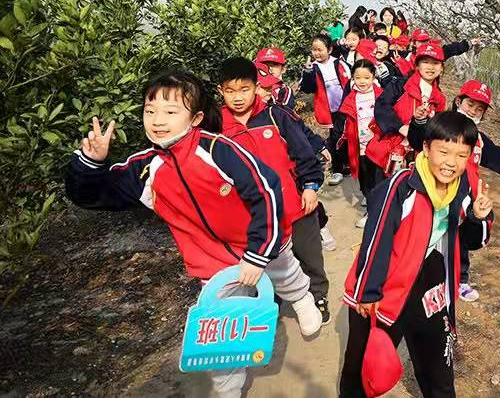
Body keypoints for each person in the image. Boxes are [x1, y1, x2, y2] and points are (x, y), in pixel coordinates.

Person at [65, 71, 322, 398]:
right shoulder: (146, 167)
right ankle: (229, 387)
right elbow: (92, 196)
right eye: (150, 110)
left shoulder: (217, 149)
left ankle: (302, 298)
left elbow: (266, 190)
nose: (158, 120)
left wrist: (258, 253)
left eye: (171, 112)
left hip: (261, 241)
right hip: (211, 262)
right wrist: (91, 162)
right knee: (224, 328)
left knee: (285, 275)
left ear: (196, 117)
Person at [339, 112, 494, 398]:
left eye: (461, 155)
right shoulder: (402, 186)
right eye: (444, 152)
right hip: (384, 282)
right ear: (425, 148)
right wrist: (367, 292)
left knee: (438, 364)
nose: (451, 163)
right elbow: (376, 237)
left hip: (429, 280)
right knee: (363, 366)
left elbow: (473, 242)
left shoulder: (462, 188)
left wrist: (477, 216)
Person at [217, 57, 332, 324]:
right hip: (253, 215)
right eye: (230, 91)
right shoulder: (216, 128)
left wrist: (310, 187)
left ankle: (317, 295)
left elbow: (303, 153)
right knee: (263, 262)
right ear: (220, 91)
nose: (237, 97)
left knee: (308, 254)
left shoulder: (276, 116)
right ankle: (272, 302)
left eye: (244, 89)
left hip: (294, 205)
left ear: (256, 87)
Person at [451, 80, 500, 302]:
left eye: (480, 109)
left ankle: (460, 281)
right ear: (459, 101)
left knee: (462, 239)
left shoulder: (478, 139)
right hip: (439, 194)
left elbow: (497, 156)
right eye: (470, 104)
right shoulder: (441, 125)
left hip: (467, 198)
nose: (473, 111)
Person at [255, 69, 338, 253]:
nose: (269, 90)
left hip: (291, 173)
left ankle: (320, 227)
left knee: (306, 201)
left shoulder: (278, 107)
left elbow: (299, 128)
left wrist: (318, 145)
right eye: (263, 87)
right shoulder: (232, 122)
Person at [365, 41, 448, 193]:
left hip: (416, 154)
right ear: (417, 65)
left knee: (404, 192)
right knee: (380, 190)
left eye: (435, 63)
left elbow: (438, 128)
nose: (430, 67)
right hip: (388, 147)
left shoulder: (439, 98)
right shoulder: (400, 85)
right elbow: (382, 106)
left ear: (442, 67)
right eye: (425, 62)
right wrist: (401, 127)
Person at [328, 59, 383, 228]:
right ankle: (372, 202)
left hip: (379, 147)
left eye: (366, 77)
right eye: (358, 77)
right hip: (360, 148)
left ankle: (375, 213)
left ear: (373, 76)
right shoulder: (350, 99)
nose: (362, 81)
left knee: (379, 180)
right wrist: (334, 146)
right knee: (365, 179)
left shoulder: (382, 96)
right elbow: (341, 125)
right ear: (352, 78)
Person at [300, 33, 351, 185]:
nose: (317, 53)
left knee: (345, 135)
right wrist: (308, 73)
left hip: (345, 107)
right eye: (314, 50)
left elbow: (350, 82)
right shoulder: (312, 68)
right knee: (335, 137)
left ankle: (346, 164)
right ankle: (338, 169)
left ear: (329, 50)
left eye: (320, 49)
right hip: (328, 110)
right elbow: (308, 88)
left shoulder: (339, 63)